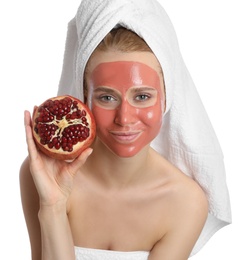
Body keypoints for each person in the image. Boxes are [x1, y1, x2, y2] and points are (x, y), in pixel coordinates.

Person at [20, 0, 231, 259]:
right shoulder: (43, 176)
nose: (125, 118)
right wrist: (53, 206)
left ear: (167, 98)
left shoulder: (185, 202)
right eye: (107, 97)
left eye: (142, 97)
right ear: (85, 97)